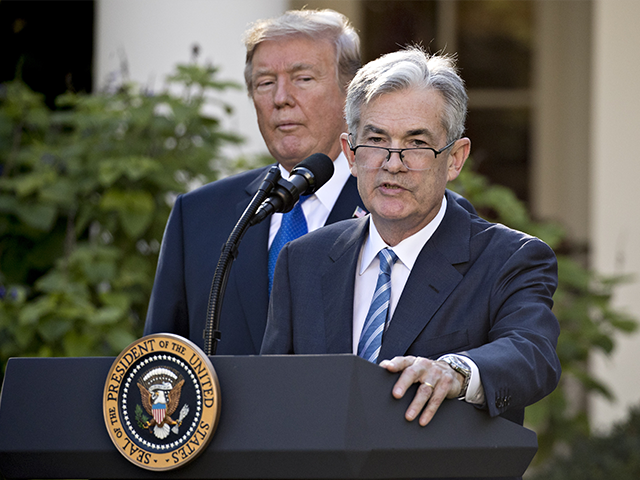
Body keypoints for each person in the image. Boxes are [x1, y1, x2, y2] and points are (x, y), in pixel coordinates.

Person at [261, 46, 561, 430]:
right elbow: (274, 392)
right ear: (350, 155)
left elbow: (532, 354)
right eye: (376, 141)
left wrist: (456, 372)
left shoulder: (508, 259)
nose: (392, 163)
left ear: (454, 158)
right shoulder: (303, 259)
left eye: (417, 144)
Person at [144, 10, 474, 355]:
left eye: (302, 79)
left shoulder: (414, 209)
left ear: (350, 93)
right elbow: (159, 360)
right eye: (265, 82)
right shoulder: (198, 215)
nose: (281, 98)